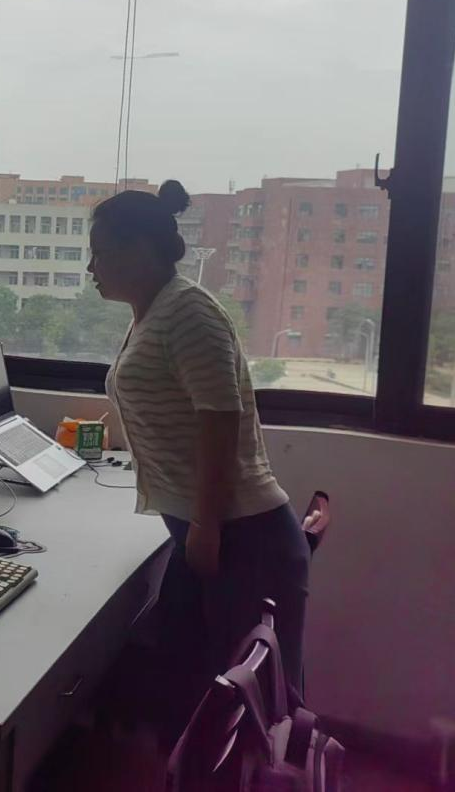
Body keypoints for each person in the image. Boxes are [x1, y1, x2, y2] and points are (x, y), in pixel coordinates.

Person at [88, 180, 310, 701]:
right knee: (192, 680)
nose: (91, 268)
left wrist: (207, 526)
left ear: (138, 250)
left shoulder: (188, 311)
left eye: (100, 254)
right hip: (210, 527)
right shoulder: (155, 312)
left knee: (250, 706)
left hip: (242, 535)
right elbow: (177, 405)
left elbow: (220, 419)